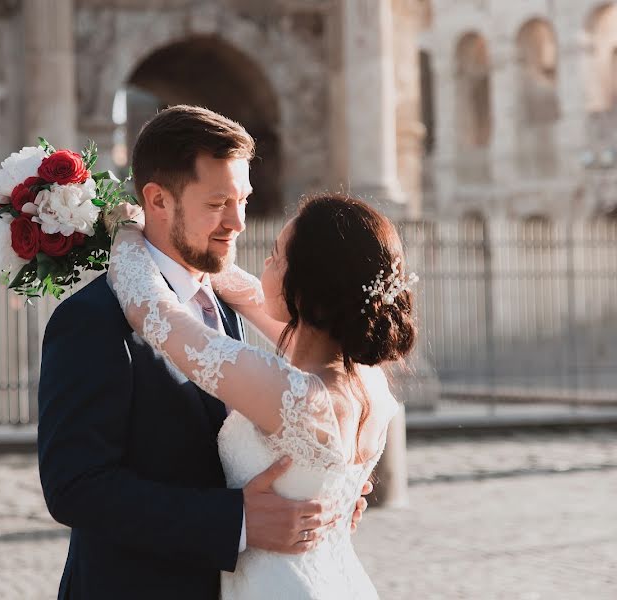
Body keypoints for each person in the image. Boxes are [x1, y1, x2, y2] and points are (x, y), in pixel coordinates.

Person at [37, 105, 372, 600]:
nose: (237, 222)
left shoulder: (227, 300)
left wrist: (321, 487)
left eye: (243, 200)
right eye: (218, 203)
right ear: (158, 201)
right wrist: (234, 521)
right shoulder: (90, 321)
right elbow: (76, 486)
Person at [107, 190, 416, 598]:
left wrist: (127, 229)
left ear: (305, 286)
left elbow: (152, 312)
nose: (264, 263)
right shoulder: (366, 378)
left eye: (275, 254)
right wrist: (192, 246)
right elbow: (251, 295)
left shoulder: (289, 392)